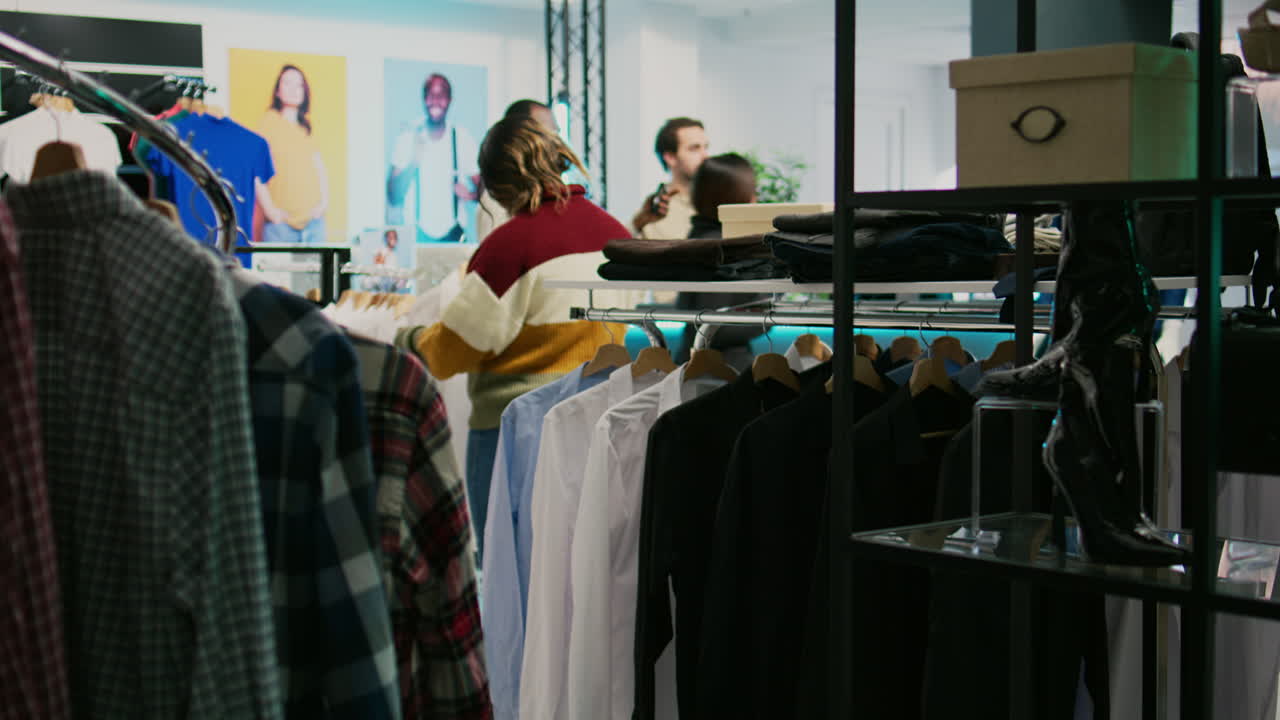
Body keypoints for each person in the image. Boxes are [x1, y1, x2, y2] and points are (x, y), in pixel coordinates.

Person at [396, 115, 629, 559]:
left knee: (509, 572)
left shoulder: (510, 245)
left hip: (517, 428)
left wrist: (406, 337)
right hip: (601, 419)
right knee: (583, 568)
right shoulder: (615, 232)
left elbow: (452, 351)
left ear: (495, 186)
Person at [675, 152, 766, 367]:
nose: (755, 199)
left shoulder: (700, 240)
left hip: (699, 365)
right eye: (752, 191)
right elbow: (711, 326)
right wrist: (771, 311)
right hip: (719, 369)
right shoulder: (719, 248)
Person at [476, 98, 593, 243]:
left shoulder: (557, 199)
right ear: (520, 135)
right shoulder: (498, 203)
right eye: (545, 133)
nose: (555, 142)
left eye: (555, 133)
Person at [387, 73, 481, 243]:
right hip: (416, 239)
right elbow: (393, 196)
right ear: (424, 99)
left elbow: (486, 190)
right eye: (430, 94)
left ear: (450, 100)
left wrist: (471, 195)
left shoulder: (462, 137)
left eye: (441, 95)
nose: (436, 100)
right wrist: (414, 161)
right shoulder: (408, 137)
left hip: (453, 239)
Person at [257, 64, 329, 244]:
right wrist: (270, 211)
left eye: (298, 85)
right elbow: (256, 173)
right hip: (281, 226)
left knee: (319, 264)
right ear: (278, 91)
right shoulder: (268, 123)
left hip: (314, 223)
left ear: (304, 92)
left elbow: (319, 168)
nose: (293, 89)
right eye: (287, 83)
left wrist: (323, 204)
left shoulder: (306, 128)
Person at [631, 116, 709, 239]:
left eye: (706, 147)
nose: (705, 156)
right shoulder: (651, 215)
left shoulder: (718, 202)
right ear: (670, 157)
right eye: (694, 148)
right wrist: (637, 224)